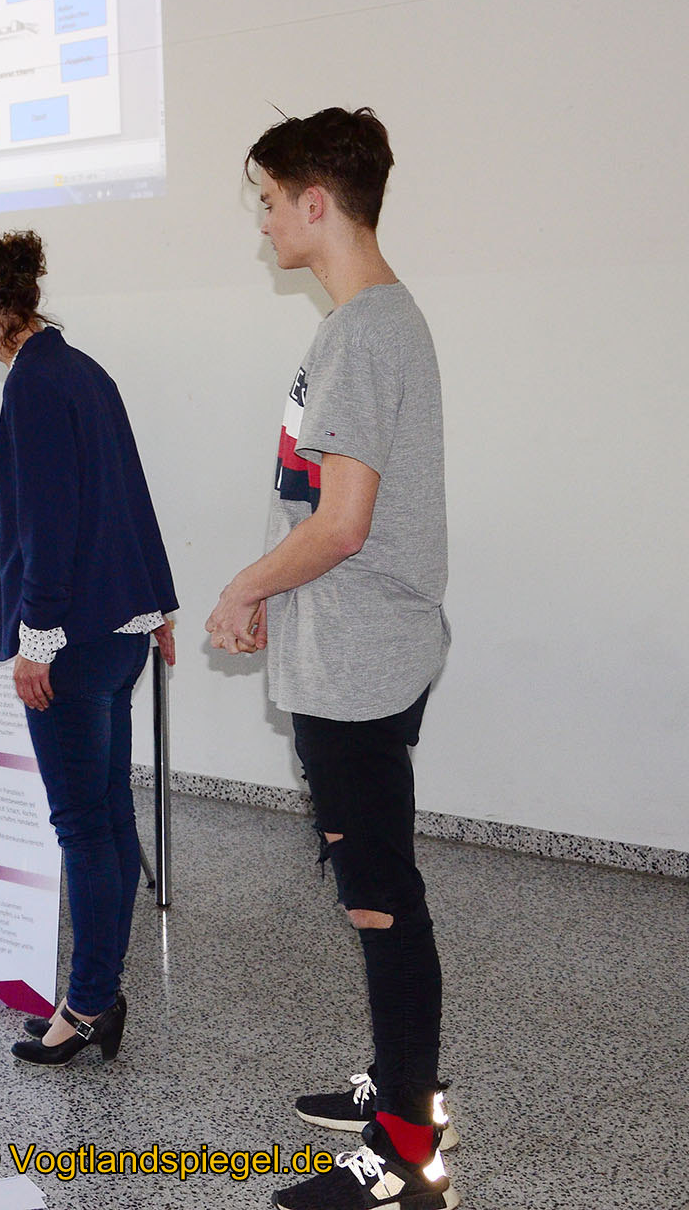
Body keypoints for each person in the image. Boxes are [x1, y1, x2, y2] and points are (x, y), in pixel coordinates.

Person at [205, 107, 456, 1210]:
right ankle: (404, 1084)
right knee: (379, 886)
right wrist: (277, 585)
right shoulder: (371, 321)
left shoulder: (365, 332)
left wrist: (246, 586)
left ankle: (406, 1149)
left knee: (379, 899)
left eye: (269, 202)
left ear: (316, 201)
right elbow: (327, 505)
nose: (263, 223)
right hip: (354, 648)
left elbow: (343, 524)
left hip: (356, 663)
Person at [0, 230, 178, 1069]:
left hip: (72, 640)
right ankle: (98, 993)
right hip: (120, 630)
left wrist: (36, 642)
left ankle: (91, 1002)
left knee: (82, 826)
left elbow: (47, 525)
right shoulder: (81, 368)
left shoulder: (33, 383)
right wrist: (157, 605)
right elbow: (130, 495)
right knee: (107, 815)